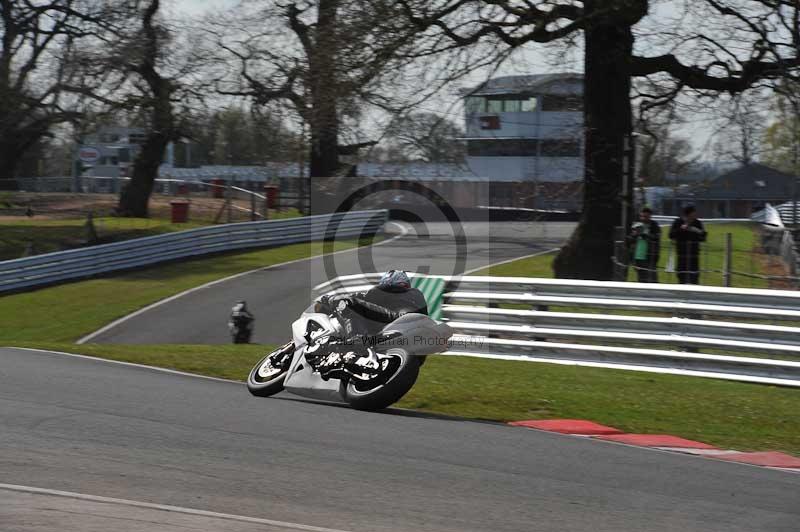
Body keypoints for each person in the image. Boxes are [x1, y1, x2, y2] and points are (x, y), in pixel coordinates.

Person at [317, 270, 428, 377]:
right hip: (415, 348)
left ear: (389, 280)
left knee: (350, 304)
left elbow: (359, 297)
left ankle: (356, 342)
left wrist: (329, 300)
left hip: (397, 320)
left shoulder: (383, 290)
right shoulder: (417, 294)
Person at [669, 205, 707, 284]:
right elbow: (671, 235)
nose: (695, 215)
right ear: (688, 214)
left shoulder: (697, 223)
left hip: (694, 255)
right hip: (681, 255)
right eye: (693, 213)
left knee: (694, 277)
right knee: (682, 276)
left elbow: (703, 237)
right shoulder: (678, 222)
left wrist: (697, 231)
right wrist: (681, 229)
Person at [628, 206, 661, 283]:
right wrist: (634, 235)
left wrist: (647, 235)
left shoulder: (654, 225)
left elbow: (657, 237)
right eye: (642, 216)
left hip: (650, 255)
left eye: (646, 216)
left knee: (653, 279)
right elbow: (630, 240)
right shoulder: (636, 225)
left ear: (650, 216)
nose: (643, 218)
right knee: (641, 280)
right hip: (639, 256)